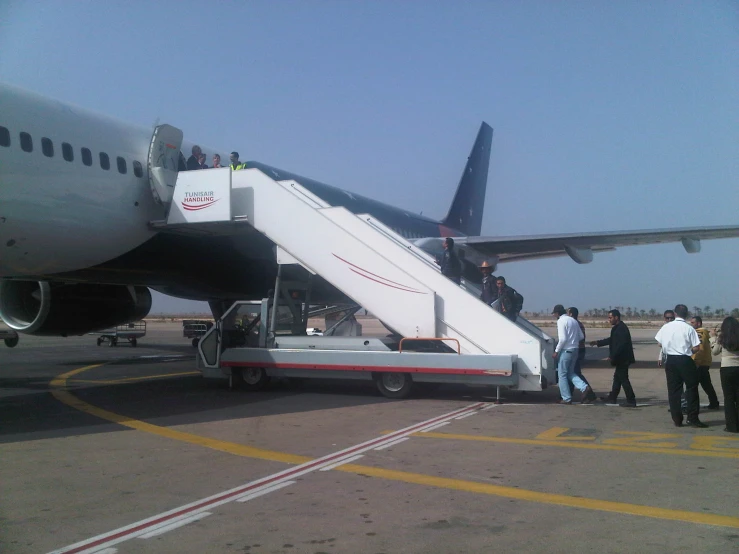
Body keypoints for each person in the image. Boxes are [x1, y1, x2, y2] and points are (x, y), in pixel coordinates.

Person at [655, 304, 706, 428]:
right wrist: (688, 351)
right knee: (692, 388)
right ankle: (692, 418)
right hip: (685, 360)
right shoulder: (689, 328)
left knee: (674, 391)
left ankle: (677, 419)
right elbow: (697, 347)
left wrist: (669, 347)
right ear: (686, 314)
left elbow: (659, 342)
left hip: (671, 361)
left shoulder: (666, 327)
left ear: (675, 313)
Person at [590, 309, 636, 407]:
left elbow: (621, 345)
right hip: (621, 359)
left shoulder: (621, 328)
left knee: (623, 379)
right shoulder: (618, 328)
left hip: (623, 359)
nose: (609, 320)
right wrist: (598, 342)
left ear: (616, 317)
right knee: (617, 379)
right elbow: (612, 340)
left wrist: (612, 356)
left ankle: (631, 400)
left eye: (610, 318)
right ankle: (612, 397)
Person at [552, 304, 595, 404]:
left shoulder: (561, 321)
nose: (554, 315)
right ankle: (584, 387)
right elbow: (580, 336)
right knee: (571, 373)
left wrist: (556, 351)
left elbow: (562, 339)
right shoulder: (573, 320)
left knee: (562, 374)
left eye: (554, 313)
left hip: (566, 350)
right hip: (575, 349)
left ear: (557, 313)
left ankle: (566, 398)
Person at [711, 317, 739, 433]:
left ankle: (731, 426)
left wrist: (713, 336)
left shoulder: (722, 337)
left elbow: (715, 351)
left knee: (729, 398)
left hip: (726, 368)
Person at [690, 315, 719, 409]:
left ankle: (693, 406)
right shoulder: (705, 332)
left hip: (699, 363)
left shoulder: (700, 333)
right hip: (705, 362)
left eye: (693, 323)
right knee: (706, 384)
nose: (691, 324)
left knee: (692, 386)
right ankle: (714, 403)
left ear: (699, 323)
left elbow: (700, 349)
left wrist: (697, 361)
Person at [567, 307, 589, 387]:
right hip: (580, 349)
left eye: (568, 313)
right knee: (573, 372)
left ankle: (588, 391)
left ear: (571, 314)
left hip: (577, 350)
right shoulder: (579, 324)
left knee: (575, 373)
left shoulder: (574, 324)